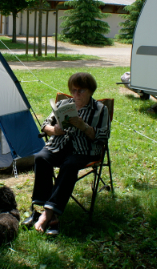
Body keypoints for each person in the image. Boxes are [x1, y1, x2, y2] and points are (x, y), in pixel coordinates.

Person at [24, 72, 111, 234]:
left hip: (84, 150)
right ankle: (49, 214)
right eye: (73, 90)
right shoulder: (65, 104)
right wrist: (54, 130)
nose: (76, 94)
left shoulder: (100, 110)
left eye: (81, 91)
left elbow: (103, 136)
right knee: (41, 158)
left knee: (70, 165)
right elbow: (45, 126)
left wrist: (84, 126)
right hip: (59, 145)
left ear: (91, 90)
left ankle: (46, 214)